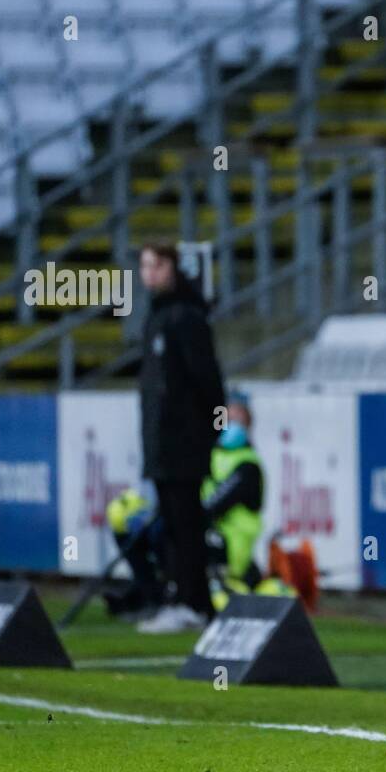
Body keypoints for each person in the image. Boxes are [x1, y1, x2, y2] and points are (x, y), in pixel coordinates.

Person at [109, 391, 265, 629]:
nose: (231, 421)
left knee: (172, 531)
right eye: (226, 414)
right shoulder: (208, 455)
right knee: (125, 518)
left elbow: (210, 507)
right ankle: (153, 595)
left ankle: (179, 599)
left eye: (237, 415)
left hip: (227, 545)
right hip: (203, 533)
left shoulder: (248, 465)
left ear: (248, 422)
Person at [136, 242, 226, 633]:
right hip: (162, 444)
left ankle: (193, 602)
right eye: (144, 266)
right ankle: (186, 598)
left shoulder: (186, 318)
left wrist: (207, 432)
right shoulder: (156, 318)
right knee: (172, 525)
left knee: (186, 524)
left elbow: (208, 381)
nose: (149, 273)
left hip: (184, 443)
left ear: (173, 267)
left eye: (156, 264)